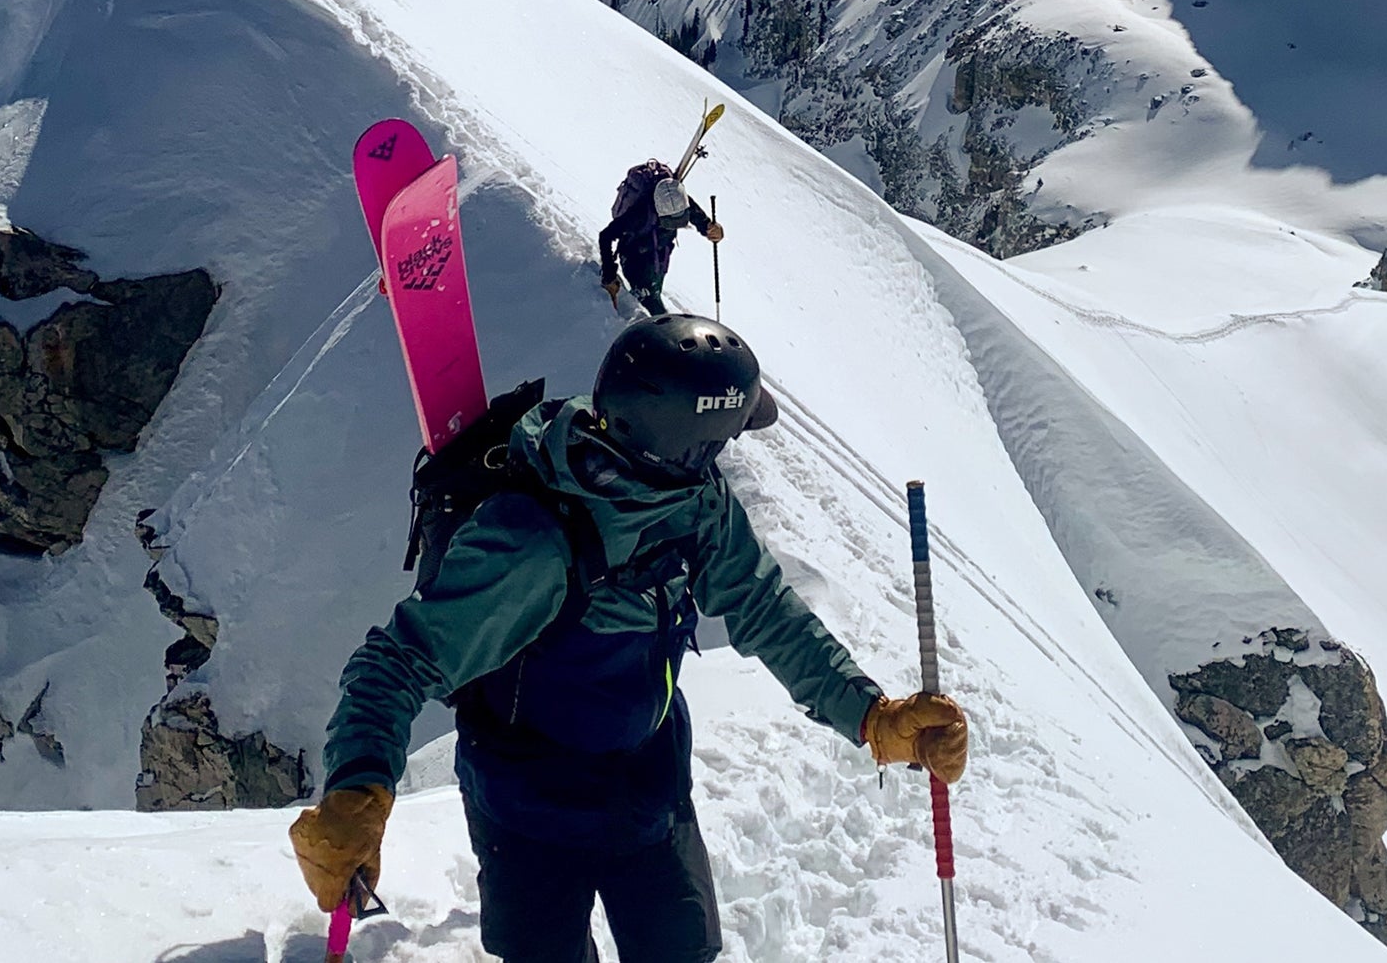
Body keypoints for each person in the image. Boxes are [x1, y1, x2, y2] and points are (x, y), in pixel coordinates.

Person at [291, 315, 970, 963]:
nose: (725, 455)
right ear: (687, 446)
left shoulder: (693, 500)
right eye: (723, 439)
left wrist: (870, 716)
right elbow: (397, 662)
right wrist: (358, 789)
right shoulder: (532, 546)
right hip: (528, 807)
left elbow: (762, 605)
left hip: (647, 784)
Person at [599, 165, 719, 315]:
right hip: (635, 258)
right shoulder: (639, 214)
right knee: (650, 300)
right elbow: (605, 236)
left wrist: (709, 228)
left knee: (653, 293)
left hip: (659, 257)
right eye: (670, 222)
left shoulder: (678, 200)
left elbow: (694, 214)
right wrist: (609, 275)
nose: (674, 225)